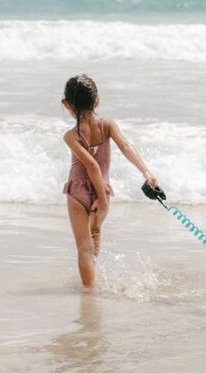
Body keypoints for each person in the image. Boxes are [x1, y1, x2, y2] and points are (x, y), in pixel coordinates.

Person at [61, 73, 158, 288]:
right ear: (97, 101)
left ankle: (89, 294)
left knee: (83, 247)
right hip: (102, 190)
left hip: (78, 193)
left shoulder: (71, 136)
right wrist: (146, 173)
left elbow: (91, 166)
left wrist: (101, 200)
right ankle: (92, 281)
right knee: (94, 235)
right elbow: (126, 147)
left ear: (66, 104)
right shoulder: (107, 125)